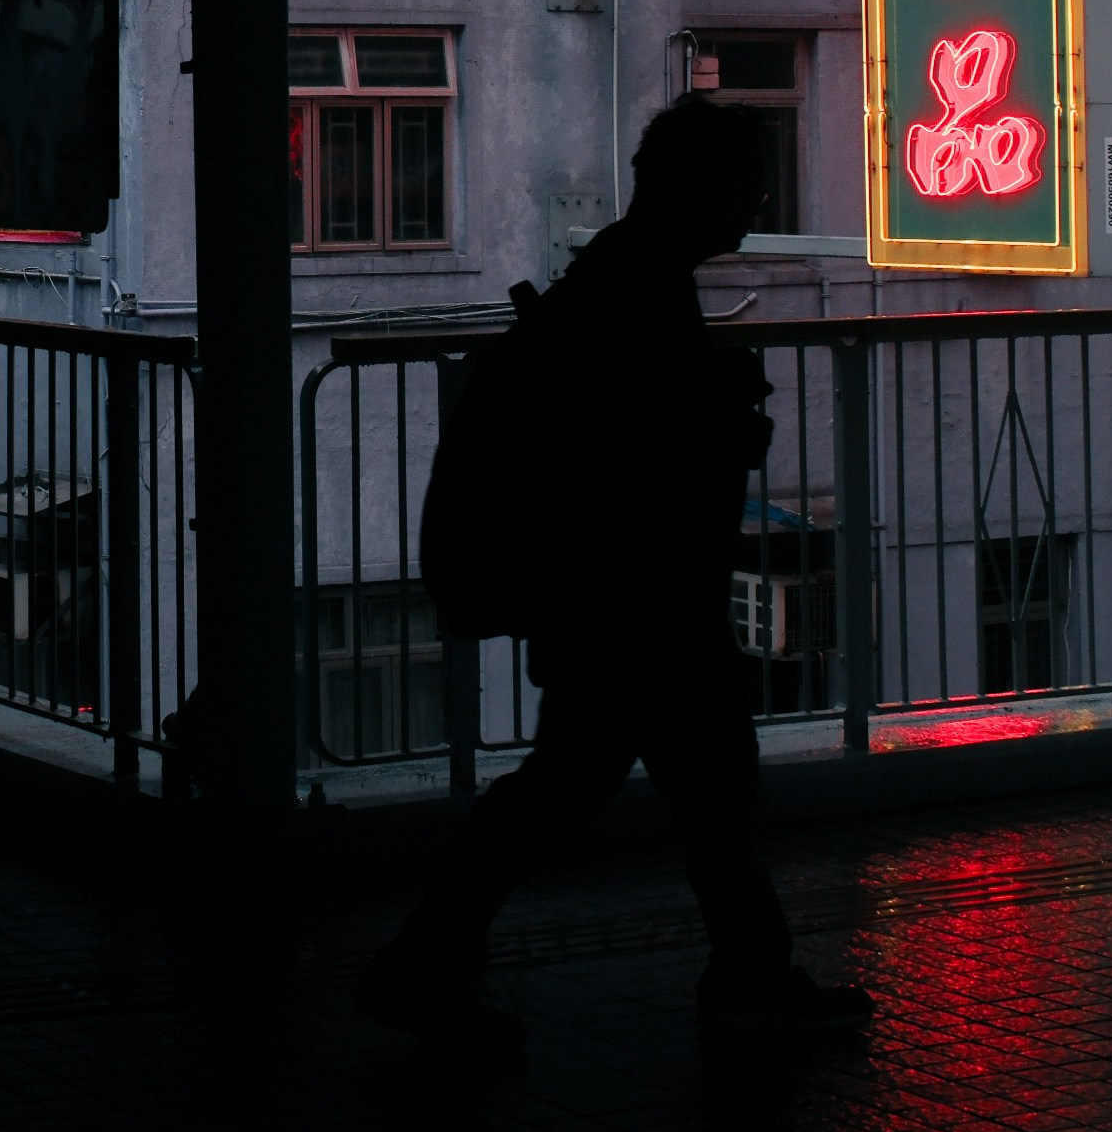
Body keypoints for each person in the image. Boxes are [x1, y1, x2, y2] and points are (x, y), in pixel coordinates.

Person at [362, 96, 876, 1053]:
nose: (752, 208)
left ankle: (431, 966)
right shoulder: (639, 288)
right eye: (746, 188)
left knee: (619, 781)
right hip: (631, 598)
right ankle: (738, 976)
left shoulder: (620, 277)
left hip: (613, 595)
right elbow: (621, 438)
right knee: (651, 783)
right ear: (702, 188)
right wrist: (722, 435)